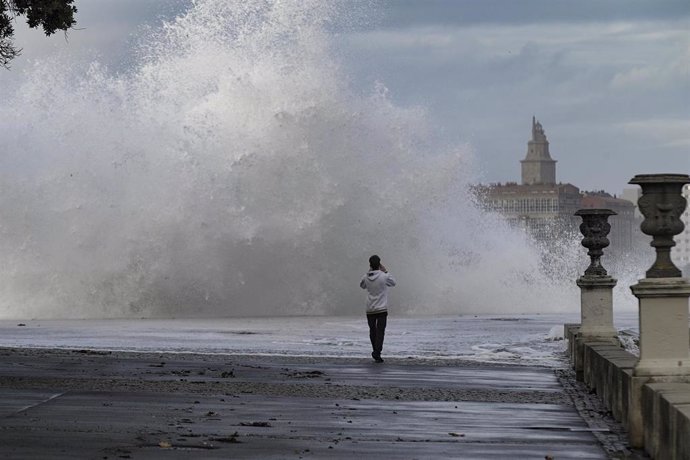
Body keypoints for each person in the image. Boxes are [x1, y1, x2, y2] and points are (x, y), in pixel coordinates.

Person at [359, 255, 396, 363]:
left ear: (370, 264)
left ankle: (375, 351)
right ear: (380, 264)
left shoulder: (366, 276)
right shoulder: (384, 276)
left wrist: (369, 272)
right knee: (380, 331)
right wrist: (385, 271)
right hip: (382, 308)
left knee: (372, 331)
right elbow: (393, 282)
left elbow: (362, 286)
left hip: (370, 308)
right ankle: (377, 352)